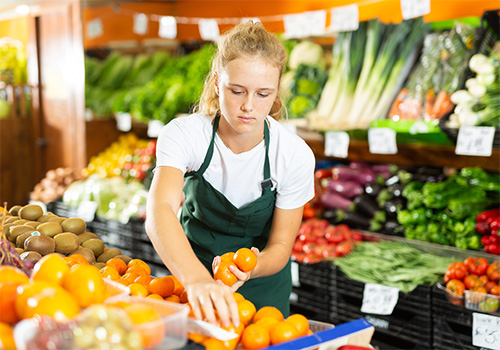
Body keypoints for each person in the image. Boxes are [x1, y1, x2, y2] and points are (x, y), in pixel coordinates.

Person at [145, 21, 315, 328]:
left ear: (277, 91)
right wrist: (197, 279)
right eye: (237, 91)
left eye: (264, 94)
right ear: (215, 83)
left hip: (263, 294)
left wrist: (250, 268)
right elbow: (160, 210)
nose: (248, 106)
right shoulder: (185, 135)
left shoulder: (293, 154)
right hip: (191, 276)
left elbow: (280, 247)